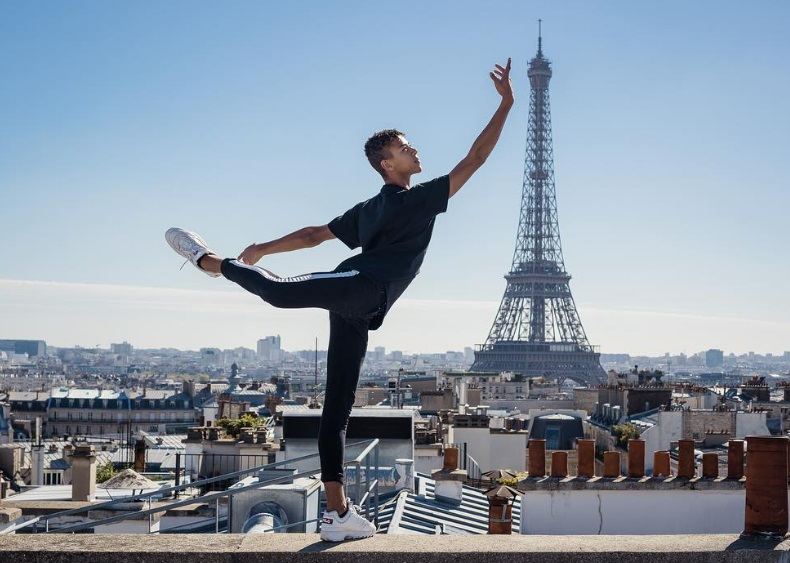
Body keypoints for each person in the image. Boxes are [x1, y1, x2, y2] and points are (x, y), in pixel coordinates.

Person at [165, 57, 513, 541]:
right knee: (279, 294)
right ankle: (208, 261)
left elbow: (313, 235)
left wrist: (266, 245)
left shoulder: (389, 204)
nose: (415, 150)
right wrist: (506, 105)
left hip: (364, 308)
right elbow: (474, 158)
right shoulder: (397, 202)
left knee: (337, 409)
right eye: (405, 147)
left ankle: (337, 513)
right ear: (387, 163)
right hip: (358, 286)